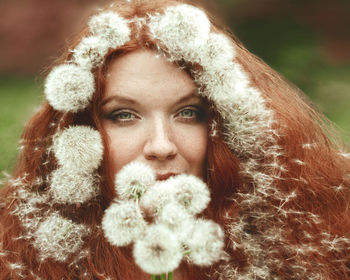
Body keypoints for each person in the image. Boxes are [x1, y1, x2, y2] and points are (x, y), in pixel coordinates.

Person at [1, 0, 350, 279]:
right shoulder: (19, 261)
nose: (162, 146)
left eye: (189, 113)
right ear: (81, 132)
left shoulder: (309, 255)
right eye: (123, 115)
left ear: (228, 127)